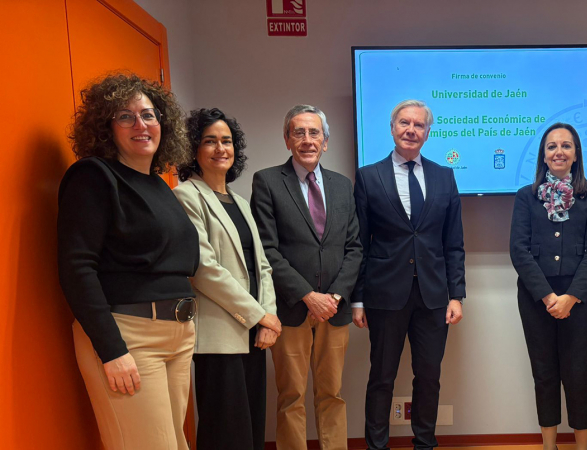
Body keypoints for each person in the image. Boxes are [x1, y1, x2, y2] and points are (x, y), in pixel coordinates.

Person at [57, 73, 199, 450]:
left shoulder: (159, 185)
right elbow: (77, 268)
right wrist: (112, 350)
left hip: (179, 335)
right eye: (126, 116)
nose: (141, 125)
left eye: (149, 115)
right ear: (107, 128)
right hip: (130, 336)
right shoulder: (93, 176)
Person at [353, 99, 466, 450]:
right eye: (404, 123)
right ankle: (376, 446)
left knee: (429, 378)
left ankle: (425, 444)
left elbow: (454, 242)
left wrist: (456, 295)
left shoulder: (445, 176)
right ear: (392, 128)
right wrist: (357, 298)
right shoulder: (368, 176)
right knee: (381, 378)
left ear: (428, 133)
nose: (411, 130)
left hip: (434, 296)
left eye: (419, 125)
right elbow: (359, 242)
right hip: (384, 295)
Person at [251, 104, 363, 450]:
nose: (307, 139)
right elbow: (267, 250)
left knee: (332, 393)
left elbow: (354, 248)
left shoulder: (343, 186)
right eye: (298, 132)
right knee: (291, 396)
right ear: (287, 140)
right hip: (291, 309)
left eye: (314, 132)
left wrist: (335, 297)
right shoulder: (268, 181)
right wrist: (307, 295)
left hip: (334, 310)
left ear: (325, 141)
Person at [173, 108, 282, 450]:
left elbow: (262, 266)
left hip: (254, 333)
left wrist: (270, 318)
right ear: (194, 150)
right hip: (219, 336)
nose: (221, 148)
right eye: (210, 141)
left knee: (251, 428)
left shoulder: (240, 201)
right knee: (226, 431)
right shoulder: (186, 196)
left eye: (227, 141)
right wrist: (258, 315)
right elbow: (204, 269)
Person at [509, 123, 587, 450]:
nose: (559, 152)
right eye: (552, 146)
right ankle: (549, 446)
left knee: (579, 375)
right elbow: (518, 250)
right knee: (545, 374)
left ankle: (582, 447)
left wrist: (571, 297)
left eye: (566, 146)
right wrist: (549, 297)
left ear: (576, 153)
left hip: (580, 300)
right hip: (536, 299)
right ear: (544, 155)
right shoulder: (526, 196)